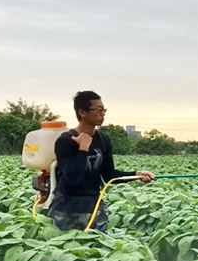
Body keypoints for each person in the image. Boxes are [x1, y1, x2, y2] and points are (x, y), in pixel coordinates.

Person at [48, 91, 155, 232]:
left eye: (103, 110)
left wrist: (136, 175)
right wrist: (83, 148)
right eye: (98, 110)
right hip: (67, 210)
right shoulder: (65, 141)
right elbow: (73, 179)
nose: (102, 113)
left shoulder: (103, 140)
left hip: (94, 206)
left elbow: (109, 176)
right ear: (82, 112)